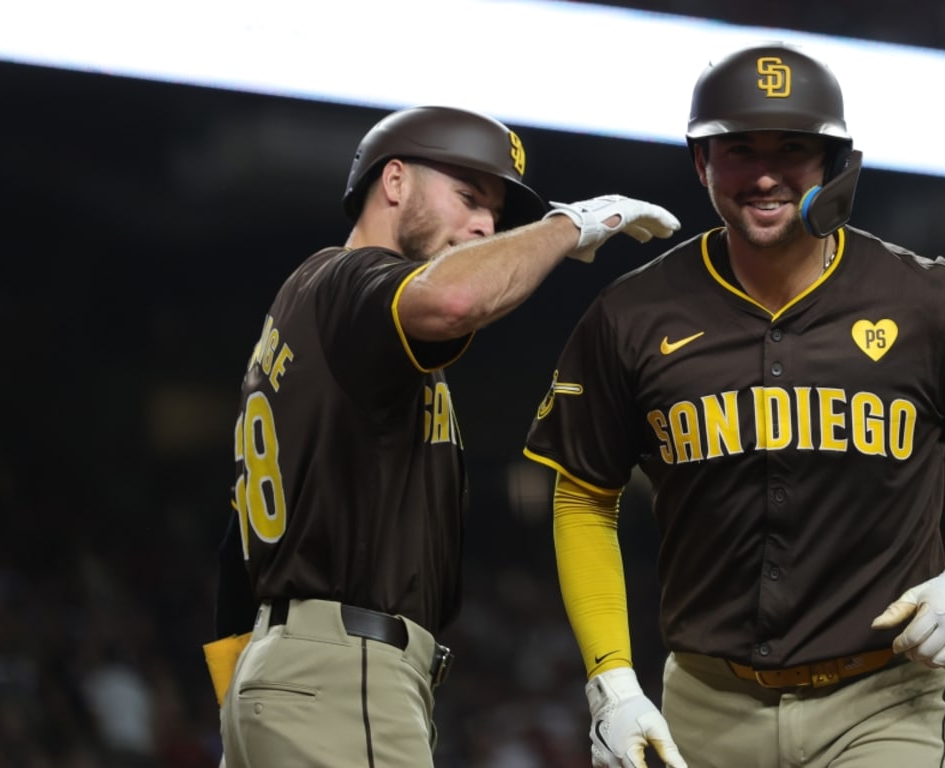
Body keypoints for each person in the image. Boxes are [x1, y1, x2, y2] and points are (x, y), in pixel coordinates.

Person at [522, 43, 945, 768]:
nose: (765, 173)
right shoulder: (632, 314)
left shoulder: (930, 300)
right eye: (738, 149)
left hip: (887, 697)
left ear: (834, 163)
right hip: (703, 700)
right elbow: (583, 497)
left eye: (793, 148)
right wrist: (611, 681)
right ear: (701, 163)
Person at [208, 104, 681, 768]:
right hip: (347, 671)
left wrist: (249, 699)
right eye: (467, 196)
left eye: (494, 211)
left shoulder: (310, 318)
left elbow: (237, 550)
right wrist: (566, 225)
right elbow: (455, 302)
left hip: (284, 676)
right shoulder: (349, 282)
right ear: (394, 182)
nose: (485, 224)